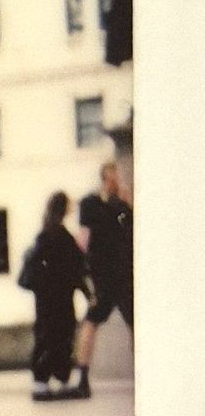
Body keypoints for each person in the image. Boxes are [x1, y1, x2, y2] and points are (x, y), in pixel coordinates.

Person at [69, 159, 133, 399]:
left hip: (123, 273)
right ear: (106, 177)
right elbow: (84, 238)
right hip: (104, 274)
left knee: (131, 322)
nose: (117, 180)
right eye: (114, 175)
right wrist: (84, 273)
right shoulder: (91, 203)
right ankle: (83, 377)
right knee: (92, 321)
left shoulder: (123, 205)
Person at [18, 192, 89, 401]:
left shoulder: (46, 234)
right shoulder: (62, 236)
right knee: (62, 337)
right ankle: (59, 379)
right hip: (61, 298)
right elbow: (76, 269)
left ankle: (43, 381)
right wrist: (87, 292)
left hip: (46, 299)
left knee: (47, 337)